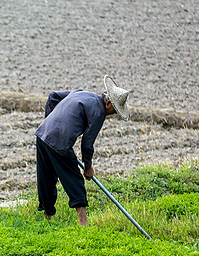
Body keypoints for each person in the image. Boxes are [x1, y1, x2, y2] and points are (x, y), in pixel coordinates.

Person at [34, 75, 130, 226]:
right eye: (115, 110)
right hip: (60, 142)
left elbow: (52, 97)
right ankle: (83, 223)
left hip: (42, 135)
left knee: (46, 176)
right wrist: (88, 166)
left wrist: (48, 122)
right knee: (74, 179)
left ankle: (47, 218)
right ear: (109, 103)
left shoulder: (81, 93)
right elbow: (87, 143)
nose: (115, 114)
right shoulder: (99, 112)